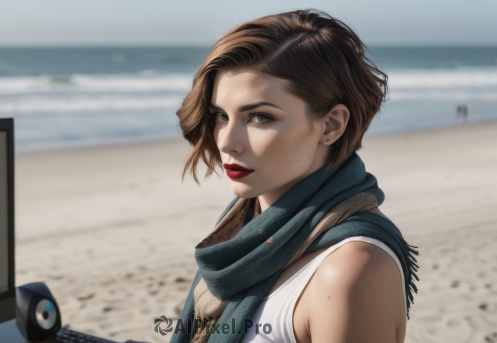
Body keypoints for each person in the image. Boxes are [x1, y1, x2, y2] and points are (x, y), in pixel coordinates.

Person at [170, 9, 418, 343]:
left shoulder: (350, 270)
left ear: (331, 125)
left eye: (260, 117)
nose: (227, 141)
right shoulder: (244, 235)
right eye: (220, 116)